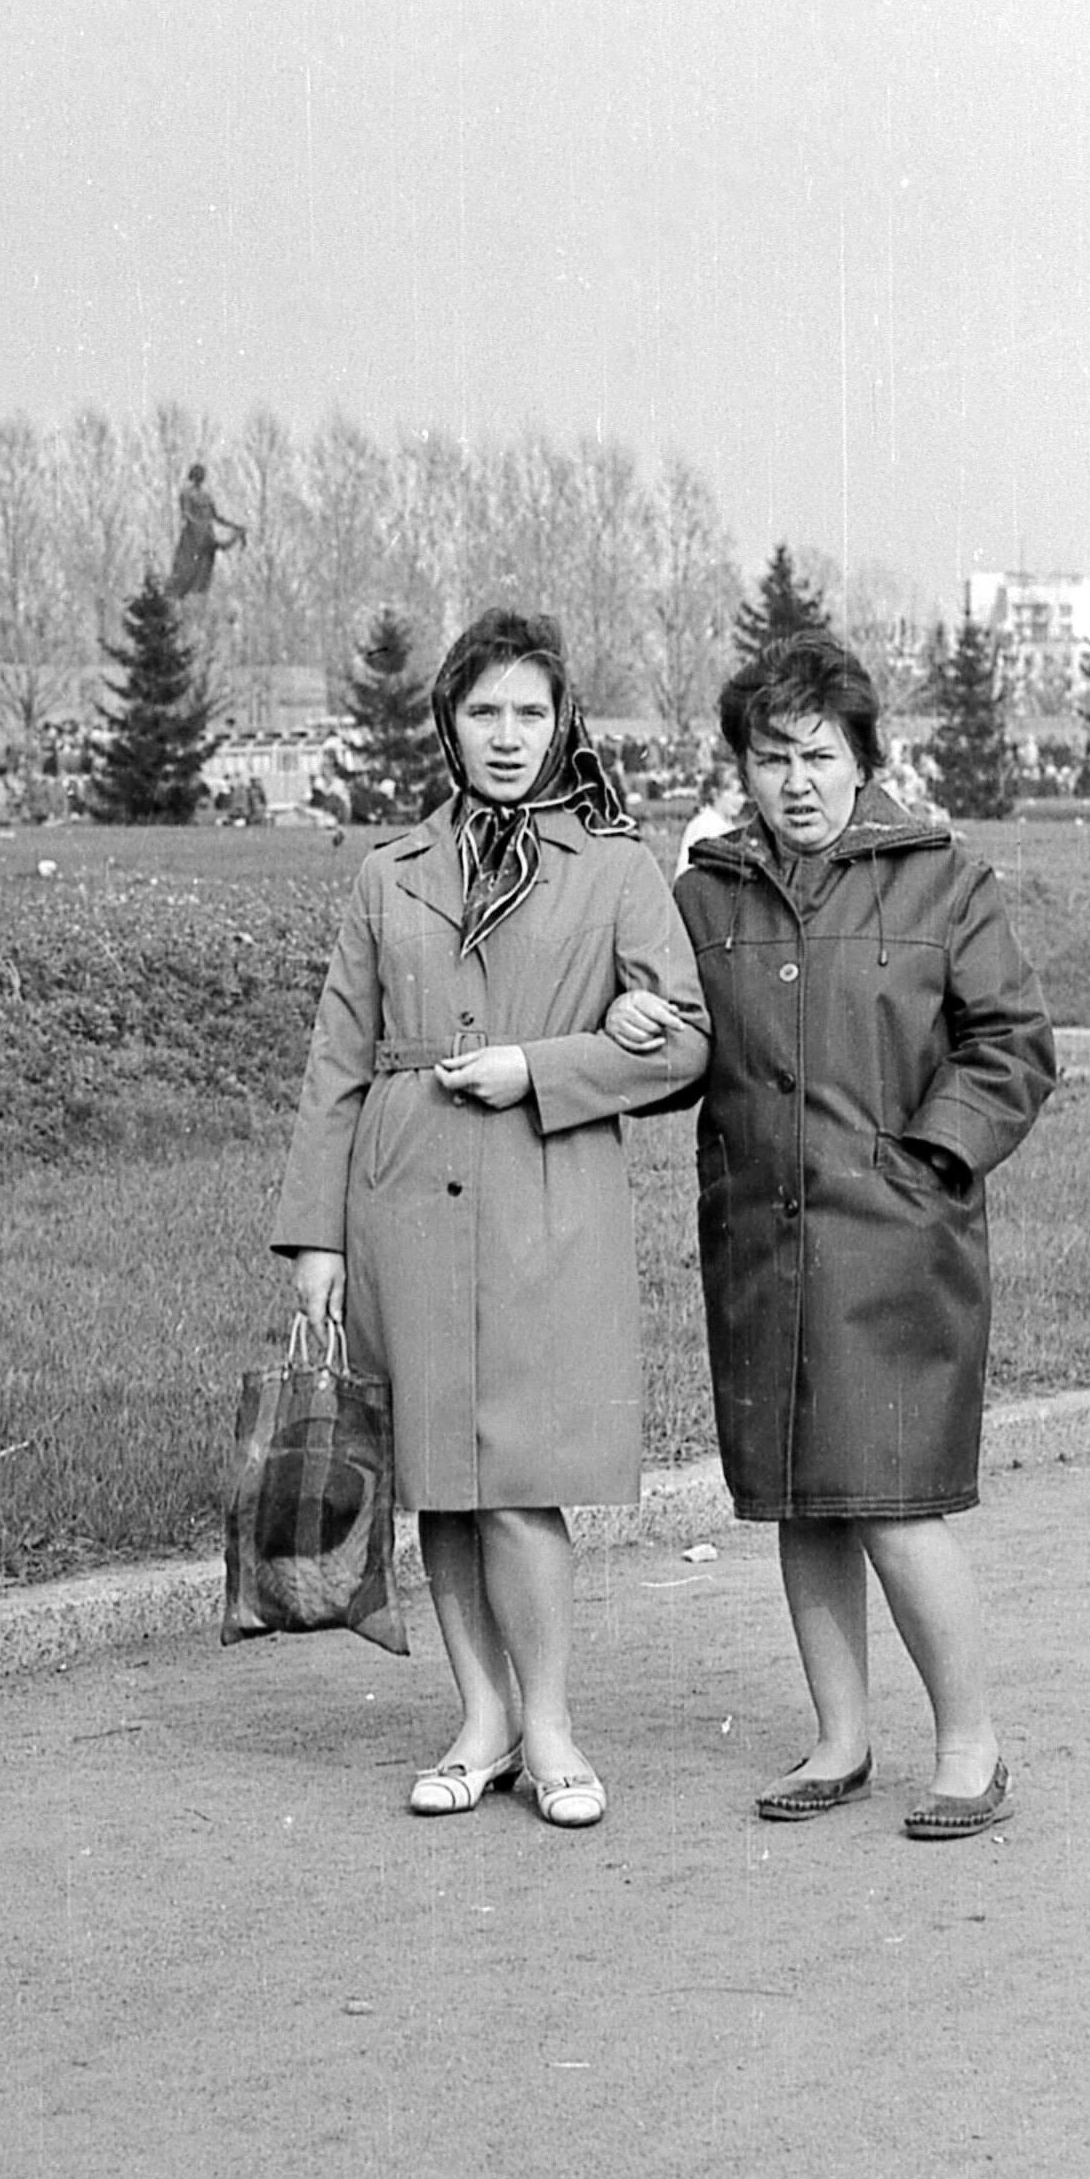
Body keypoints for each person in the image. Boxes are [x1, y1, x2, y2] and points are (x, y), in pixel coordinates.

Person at [609, 630, 1055, 1840]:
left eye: (816, 755)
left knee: (893, 1502)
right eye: (770, 758)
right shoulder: (702, 898)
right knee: (801, 1502)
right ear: (740, 768)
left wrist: (928, 1159)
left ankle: (968, 1748)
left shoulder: (942, 881)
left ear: (863, 758)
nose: (794, 782)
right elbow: (682, 1055)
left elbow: (1012, 1045)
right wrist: (639, 1027)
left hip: (896, 1246)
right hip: (759, 1243)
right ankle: (838, 1740)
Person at [271, 609, 709, 1830]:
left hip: (541, 1200)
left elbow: (685, 1038)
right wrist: (315, 1238)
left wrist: (546, 1066)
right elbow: (335, 1061)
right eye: (482, 712)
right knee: (439, 1482)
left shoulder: (614, 866)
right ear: (447, 725)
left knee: (519, 1478)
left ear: (561, 723)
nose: (506, 736)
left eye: (529, 711)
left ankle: (550, 1726)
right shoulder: (389, 872)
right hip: (402, 1201)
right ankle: (481, 1721)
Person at [166, 462, 246, 601]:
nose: (201, 477)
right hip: (192, 537)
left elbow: (216, 517)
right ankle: (177, 595)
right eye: (199, 474)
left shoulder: (206, 496)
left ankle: (193, 597)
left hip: (206, 536)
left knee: (203, 572)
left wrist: (235, 526)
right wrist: (199, 524)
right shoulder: (186, 493)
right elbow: (186, 513)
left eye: (202, 474)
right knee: (186, 570)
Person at [675, 756, 745, 880]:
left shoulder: (728, 825)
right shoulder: (704, 827)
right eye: (735, 793)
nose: (741, 800)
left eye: (743, 794)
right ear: (715, 794)